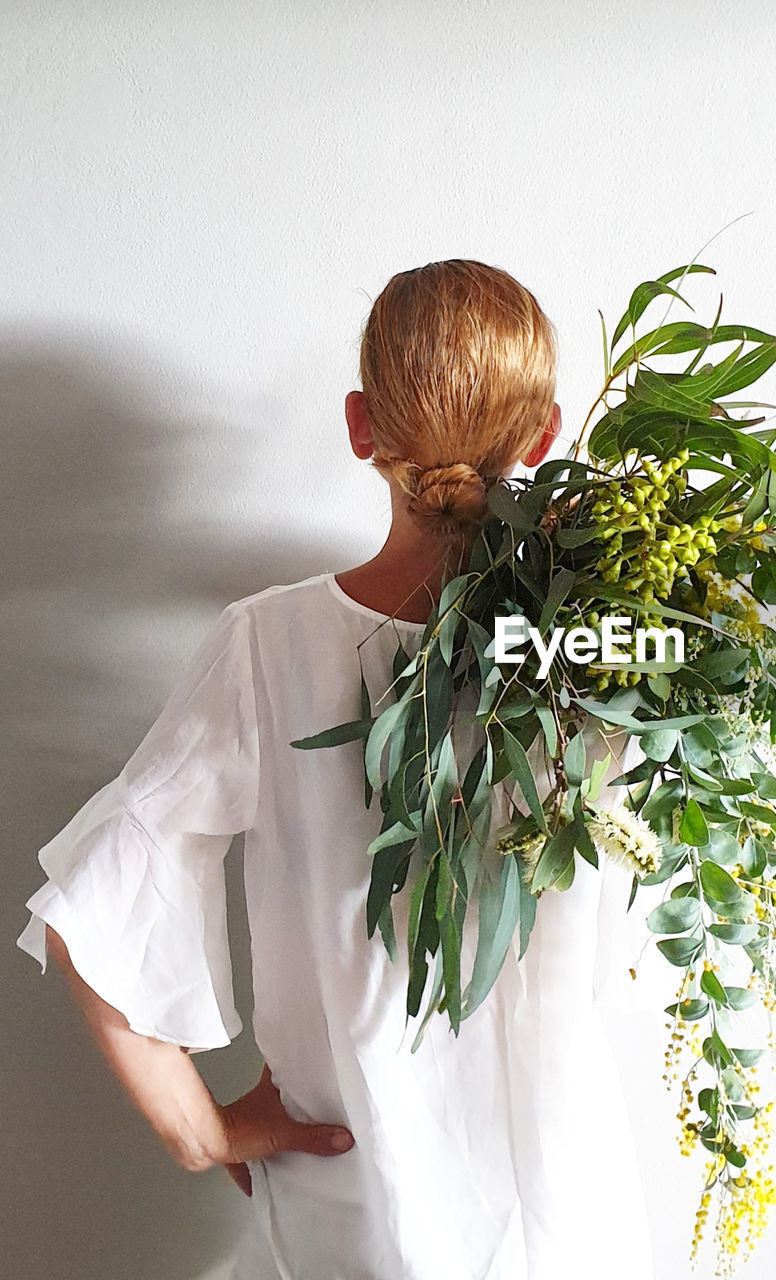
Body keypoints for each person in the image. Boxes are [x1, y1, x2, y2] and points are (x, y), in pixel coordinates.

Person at [15, 261, 661, 1280]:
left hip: (358, 1210)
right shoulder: (614, 645)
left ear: (362, 427)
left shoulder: (268, 649)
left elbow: (90, 905)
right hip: (565, 1222)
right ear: (543, 436)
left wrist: (200, 1130)